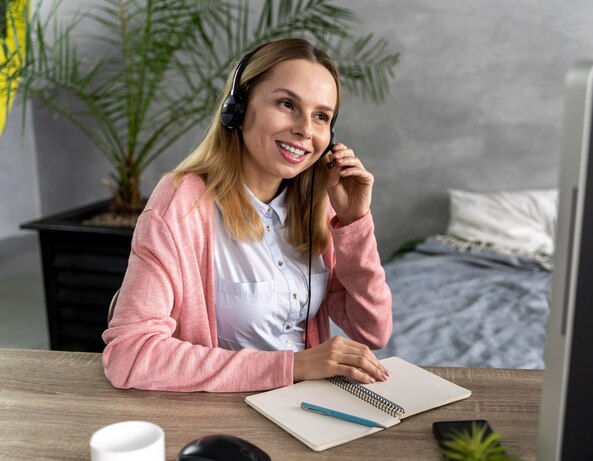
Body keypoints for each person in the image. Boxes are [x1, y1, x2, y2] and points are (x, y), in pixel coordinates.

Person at [102, 38, 393, 392]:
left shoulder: (321, 204)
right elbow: (129, 355)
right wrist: (293, 366)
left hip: (308, 411)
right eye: (287, 104)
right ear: (237, 108)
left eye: (321, 116)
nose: (305, 129)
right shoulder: (181, 203)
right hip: (224, 418)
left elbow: (373, 330)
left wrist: (354, 224)